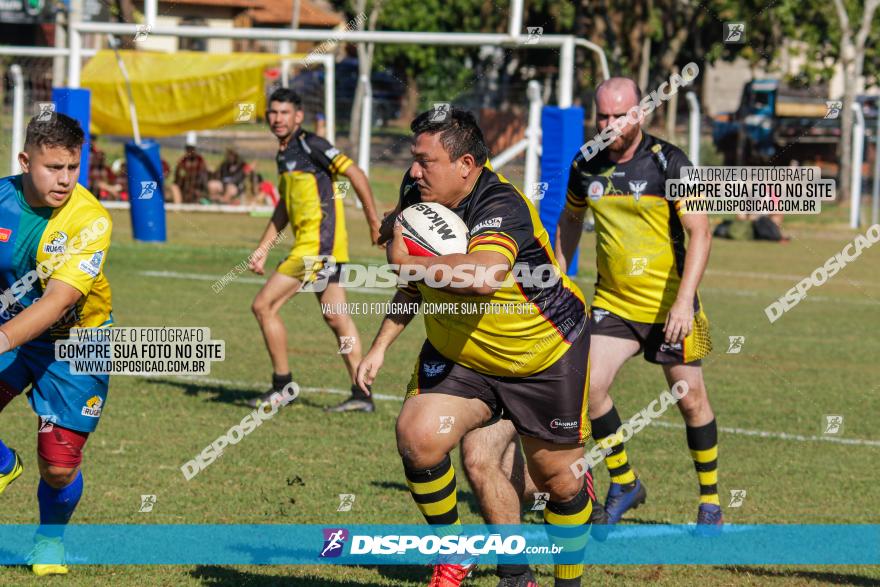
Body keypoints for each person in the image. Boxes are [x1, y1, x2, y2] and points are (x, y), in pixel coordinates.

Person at [358, 107, 596, 587]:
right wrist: (381, 344)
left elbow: (483, 278)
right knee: (420, 439)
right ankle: (475, 560)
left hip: (541, 354)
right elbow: (411, 275)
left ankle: (568, 581)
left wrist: (406, 262)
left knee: (556, 482)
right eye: (413, 159)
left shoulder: (501, 204)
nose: (414, 171)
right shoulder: (417, 194)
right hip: (461, 355)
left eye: (426, 161)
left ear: (466, 164)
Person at [555, 77, 721, 530]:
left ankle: (710, 500)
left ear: (640, 114)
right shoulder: (585, 162)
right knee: (588, 390)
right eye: (602, 116)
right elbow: (571, 217)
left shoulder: (669, 163)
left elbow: (701, 232)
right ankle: (625, 482)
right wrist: (558, 274)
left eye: (618, 115)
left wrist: (684, 301)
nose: (608, 125)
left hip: (670, 307)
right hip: (614, 304)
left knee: (691, 402)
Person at [0, 112, 113, 576]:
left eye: (73, 167)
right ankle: (4, 462)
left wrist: (2, 339)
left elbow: (57, 301)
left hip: (74, 342)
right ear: (26, 161)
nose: (65, 179)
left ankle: (49, 541)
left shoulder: (90, 220)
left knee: (60, 464)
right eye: (53, 168)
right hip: (10, 328)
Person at [247, 88, 381, 412]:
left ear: (298, 116)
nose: (278, 119)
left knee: (264, 306)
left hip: (317, 248)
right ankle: (362, 395)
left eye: (284, 113)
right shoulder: (284, 153)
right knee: (336, 317)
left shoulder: (312, 145)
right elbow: (284, 207)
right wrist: (263, 248)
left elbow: (356, 174)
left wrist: (373, 221)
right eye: (273, 113)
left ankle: (282, 387)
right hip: (316, 247)